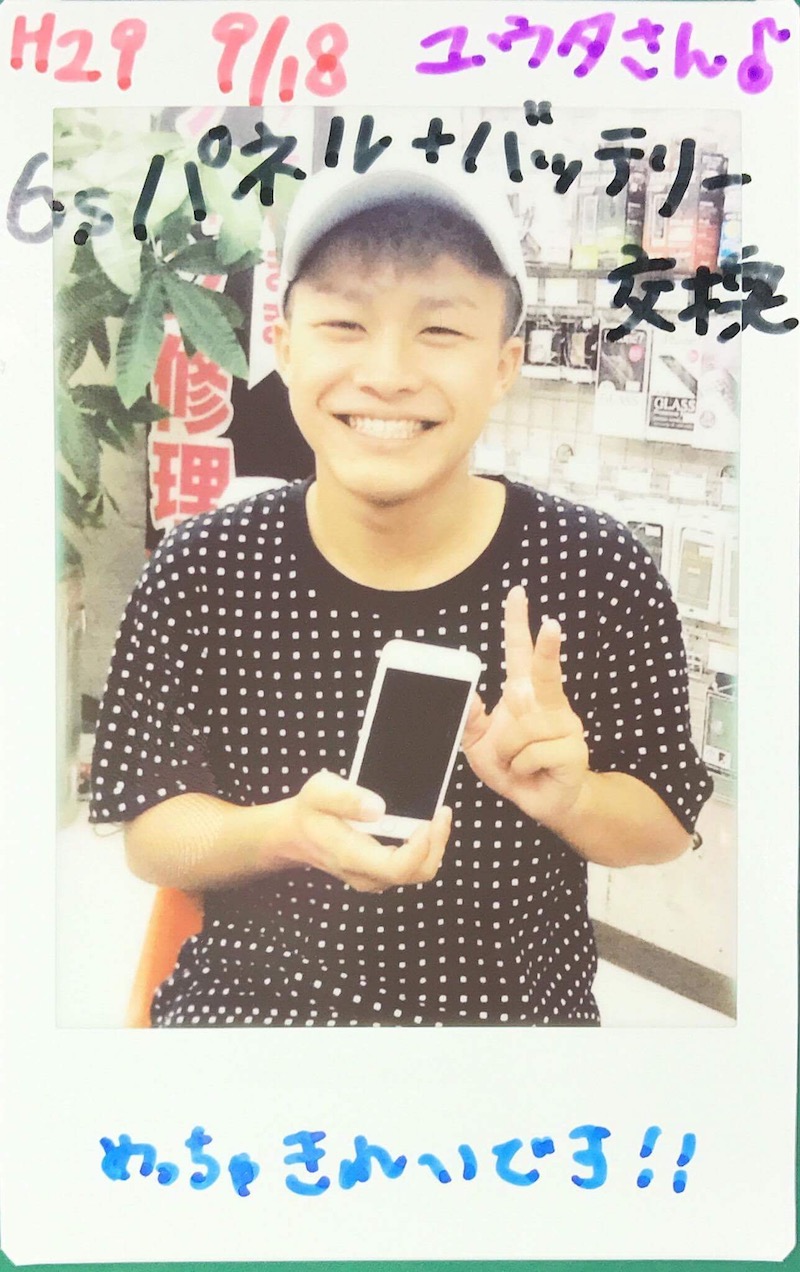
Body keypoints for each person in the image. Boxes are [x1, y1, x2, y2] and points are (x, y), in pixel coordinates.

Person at [90, 162, 712, 1027]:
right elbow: (150, 831)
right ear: (287, 345)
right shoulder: (203, 566)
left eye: (440, 330)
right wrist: (282, 832)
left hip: (509, 1048)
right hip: (250, 1035)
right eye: (345, 323)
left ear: (504, 364)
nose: (387, 374)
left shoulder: (597, 569)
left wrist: (573, 800)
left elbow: (666, 821)